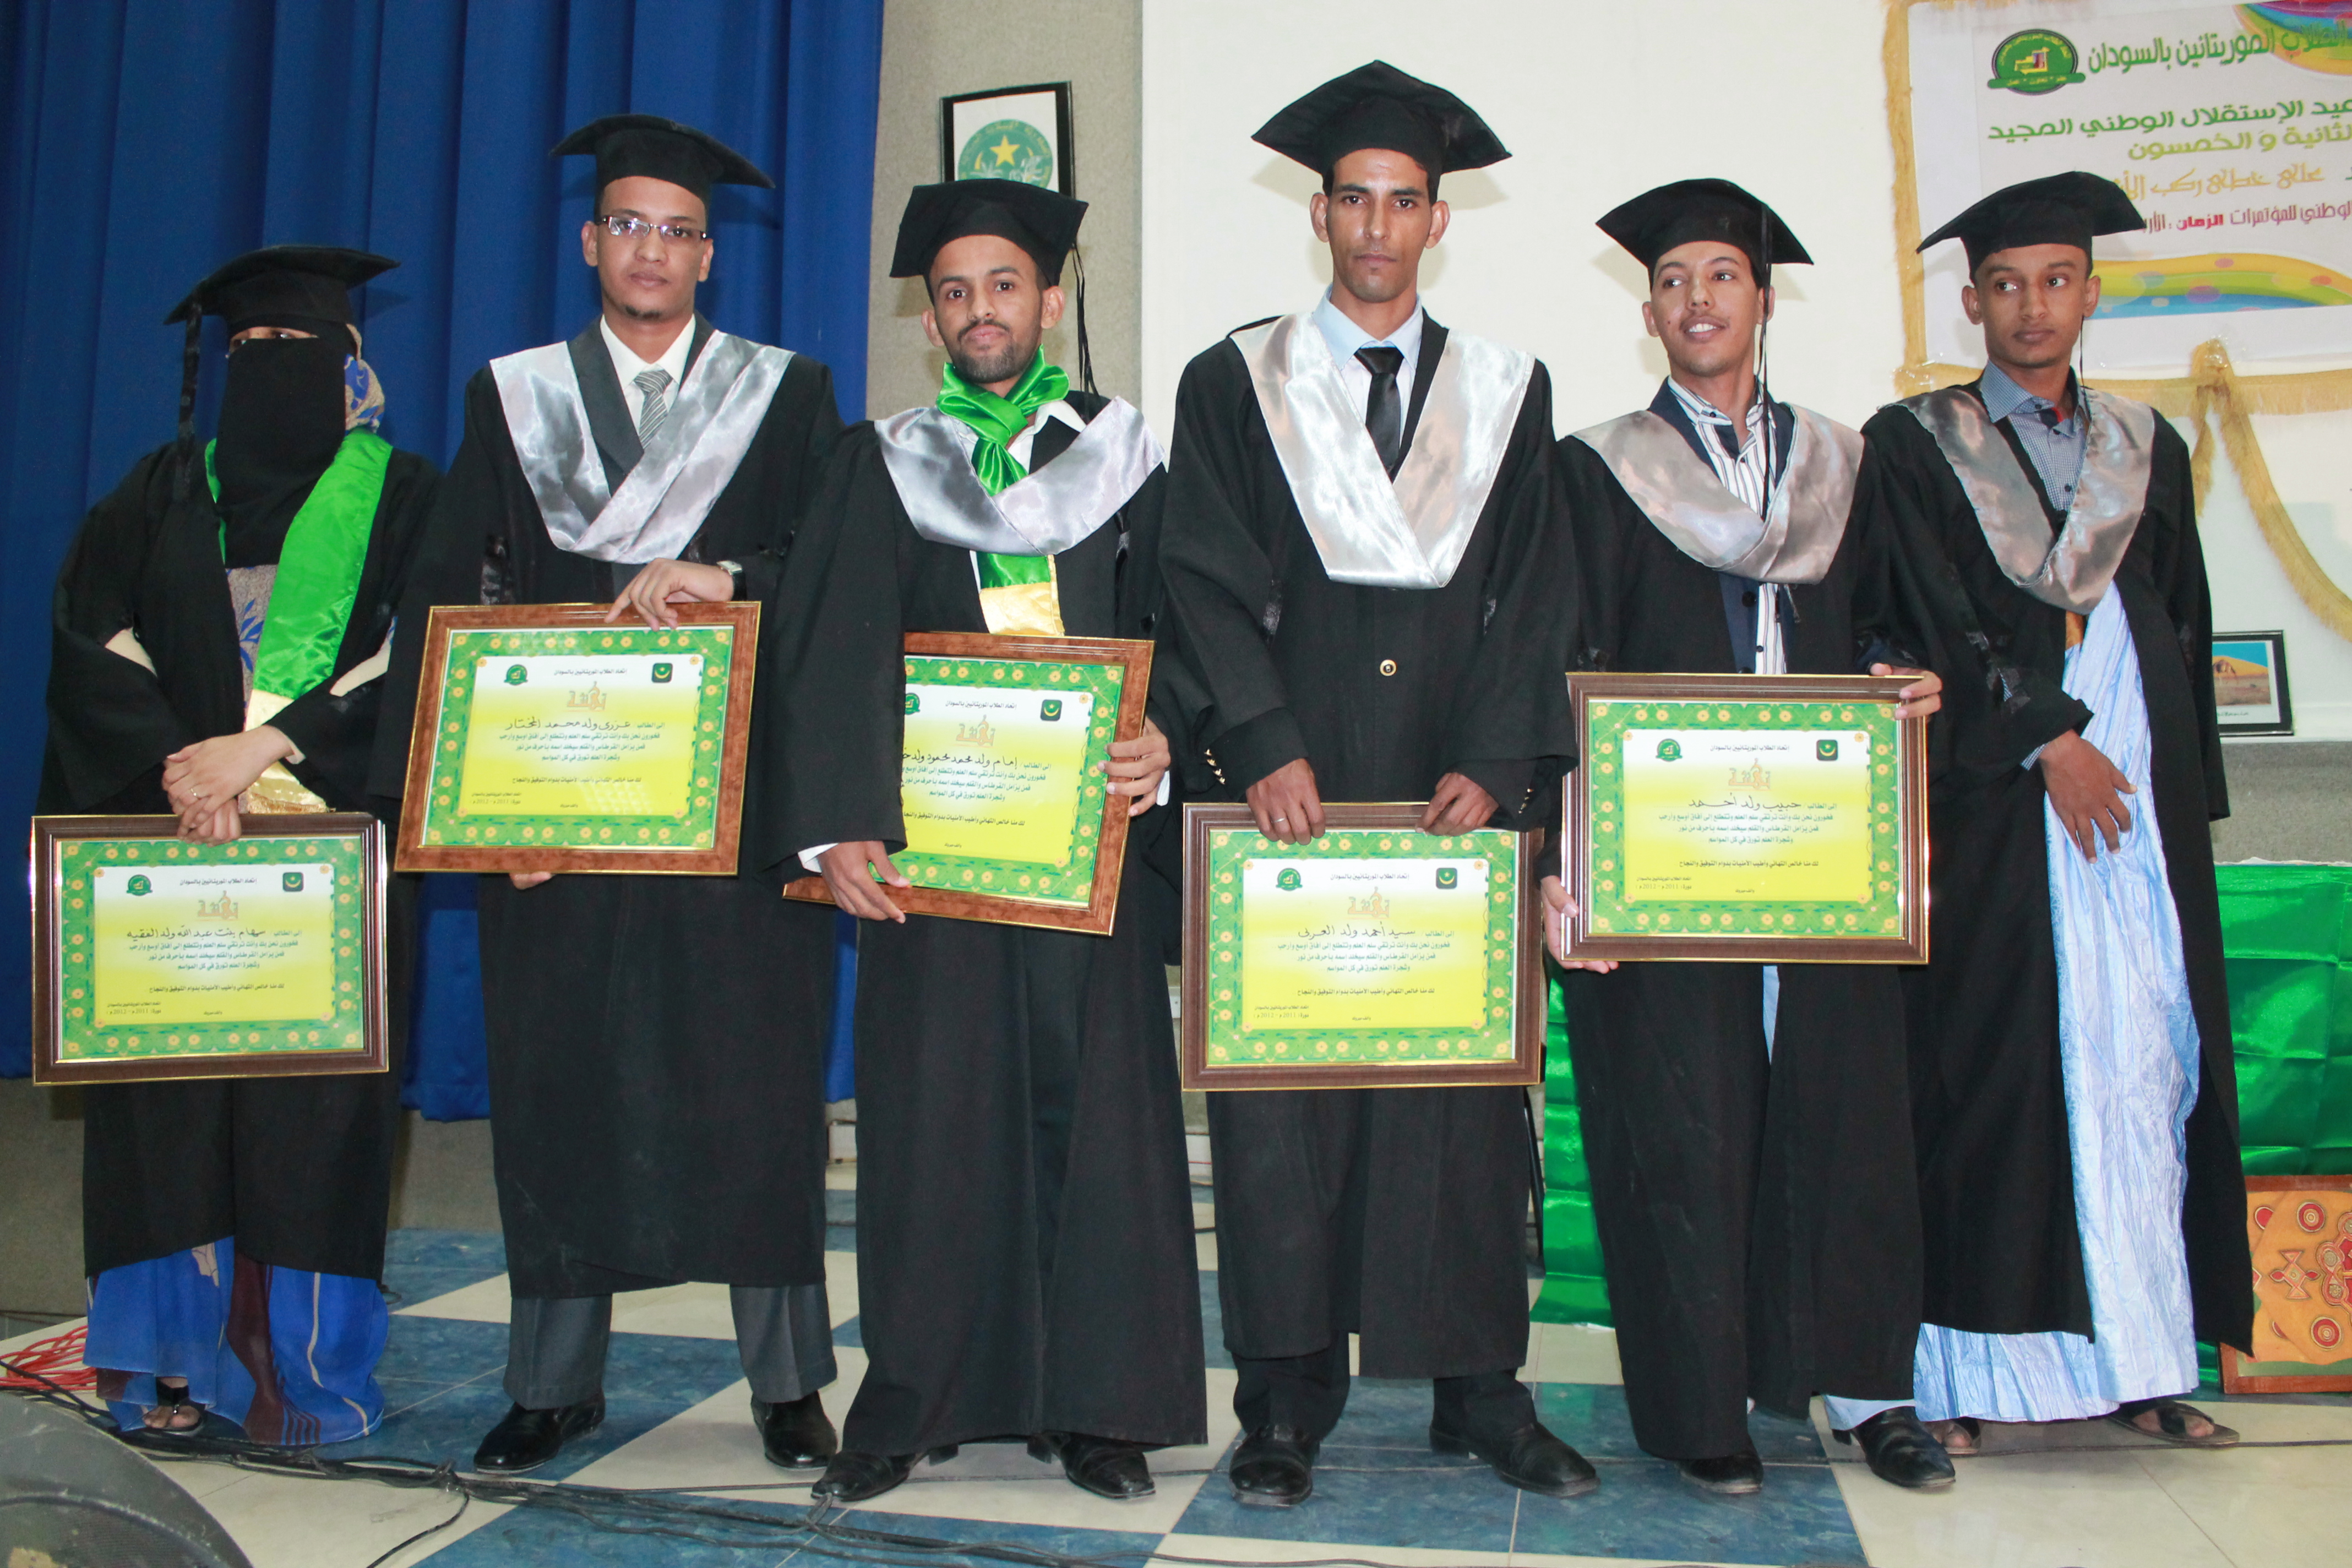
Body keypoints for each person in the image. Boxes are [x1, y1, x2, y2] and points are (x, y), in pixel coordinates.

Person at [375, 114, 846, 1475]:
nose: (652, 249)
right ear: (591, 243)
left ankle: (787, 1382)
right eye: (629, 224)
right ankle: (552, 1384)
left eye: (677, 230)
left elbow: (835, 571)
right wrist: (482, 818)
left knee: (756, 1092)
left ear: (709, 255)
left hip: (736, 808)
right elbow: (453, 599)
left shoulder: (786, 394)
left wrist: (732, 576)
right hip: (561, 809)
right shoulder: (513, 397)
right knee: (563, 1084)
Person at [1158, 62, 1589, 1507]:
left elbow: (1536, 589)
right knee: (1283, 1104)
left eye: (1405, 201)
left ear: (1438, 221)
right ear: (1321, 214)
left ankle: (1480, 1388)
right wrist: (1259, 737)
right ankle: (1282, 1399)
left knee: (1459, 1102)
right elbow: (1200, 573)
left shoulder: (1508, 393)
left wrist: (1500, 758)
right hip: (1291, 797)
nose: (1378, 226)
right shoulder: (1235, 382)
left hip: (1448, 803)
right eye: (1355, 198)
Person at [756, 178, 1203, 1505]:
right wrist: (837, 826)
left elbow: (1192, 626)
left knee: (1100, 1123)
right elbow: (831, 645)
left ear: (1049, 301)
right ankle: (918, 1398)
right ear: (932, 317)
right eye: (954, 292)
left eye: (1003, 285)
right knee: (935, 1124)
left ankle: (1101, 1408)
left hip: (1091, 855)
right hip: (937, 859)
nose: (979, 310)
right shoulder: (883, 459)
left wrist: (1167, 735)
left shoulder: (1127, 457)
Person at [1541, 181, 1949, 1494]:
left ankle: (1870, 1386)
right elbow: (1559, 669)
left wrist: (1904, 673)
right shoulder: (1594, 468)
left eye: (1721, 274)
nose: (1697, 298)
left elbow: (1894, 621)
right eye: (1673, 280)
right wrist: (1562, 863)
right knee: (1683, 1121)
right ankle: (1701, 1403)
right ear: (1649, 312)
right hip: (1664, 850)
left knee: (1848, 1114)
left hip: (1827, 846)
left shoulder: (1847, 463)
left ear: (1763, 299)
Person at [1855, 171, 2251, 1451]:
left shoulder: (2151, 443)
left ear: (2091, 292)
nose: (2033, 305)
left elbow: (2180, 623)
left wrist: (2180, 796)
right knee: (1992, 1078)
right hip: (1992, 812)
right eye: (2007, 284)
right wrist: (2045, 737)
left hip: (2134, 817)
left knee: (2144, 1061)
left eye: (2058, 280)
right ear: (1971, 302)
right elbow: (1917, 615)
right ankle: (1971, 1373)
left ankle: (2145, 1357)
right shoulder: (1916, 444)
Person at [41, 246, 436, 1442]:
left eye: (297, 349)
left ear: (348, 365)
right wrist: (186, 766)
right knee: (167, 1107)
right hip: (174, 845)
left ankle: (301, 1373)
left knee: (312, 1120)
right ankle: (169, 1366)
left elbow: (427, 651)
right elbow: (91, 636)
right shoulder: (158, 490)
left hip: (328, 858)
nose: (272, 366)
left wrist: (265, 750)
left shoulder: (407, 497)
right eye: (251, 350)